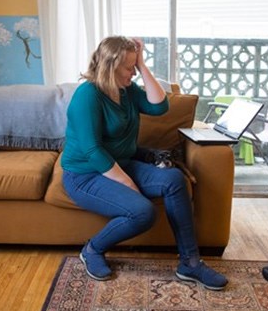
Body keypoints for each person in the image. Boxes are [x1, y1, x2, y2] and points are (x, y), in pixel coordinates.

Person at [61, 35, 228, 291]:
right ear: (111, 67)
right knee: (142, 212)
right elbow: (93, 151)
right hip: (85, 174)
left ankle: (190, 263)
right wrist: (128, 183)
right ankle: (92, 249)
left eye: (133, 67)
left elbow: (160, 107)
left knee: (174, 180)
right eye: (129, 68)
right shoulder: (88, 95)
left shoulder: (127, 91)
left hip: (122, 163)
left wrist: (141, 64)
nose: (133, 74)